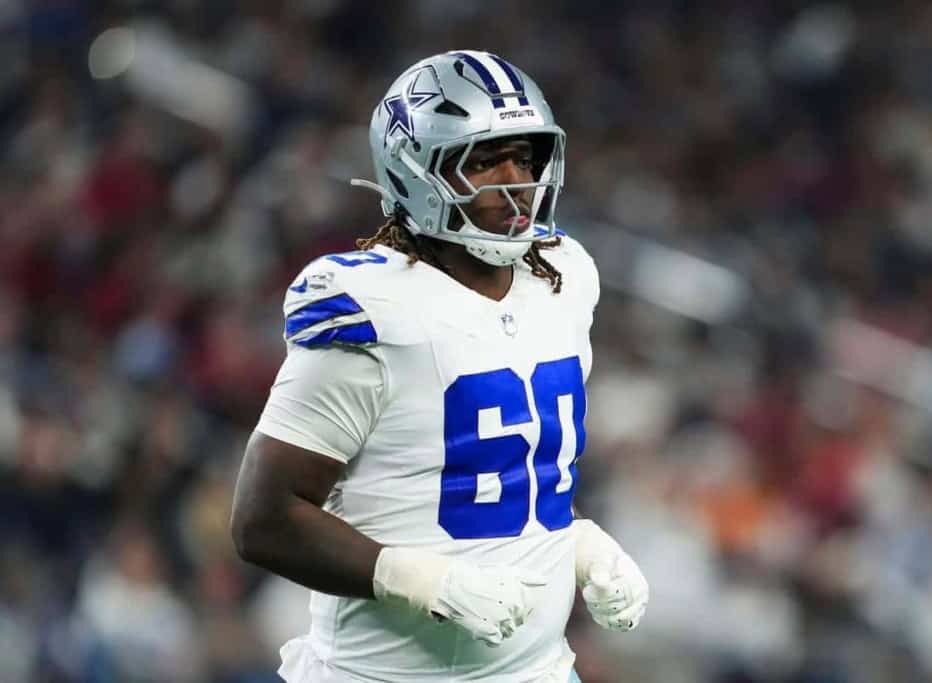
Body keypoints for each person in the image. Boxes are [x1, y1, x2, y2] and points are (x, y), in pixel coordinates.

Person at [230, 50, 649, 683]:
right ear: (416, 172)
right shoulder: (377, 308)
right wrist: (415, 578)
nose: (515, 181)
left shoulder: (564, 277)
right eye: (483, 161)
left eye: (525, 157)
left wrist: (577, 543)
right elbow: (264, 519)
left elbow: (513, 469)